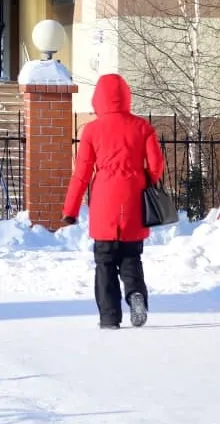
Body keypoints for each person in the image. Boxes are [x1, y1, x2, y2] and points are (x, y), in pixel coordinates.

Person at [62, 73, 165, 329]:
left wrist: (70, 210)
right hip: (133, 202)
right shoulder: (143, 127)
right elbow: (156, 164)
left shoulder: (92, 130)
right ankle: (135, 294)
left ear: (99, 99)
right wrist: (145, 181)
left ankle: (109, 318)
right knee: (131, 258)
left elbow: (82, 174)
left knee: (105, 264)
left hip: (105, 204)